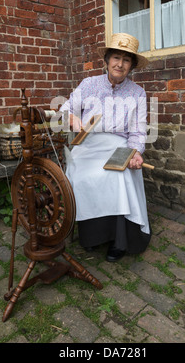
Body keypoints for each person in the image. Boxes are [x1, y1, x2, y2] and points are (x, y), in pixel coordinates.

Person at [59, 33, 151, 261]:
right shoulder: (89, 84)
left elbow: (138, 132)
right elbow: (65, 109)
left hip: (118, 144)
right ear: (107, 60)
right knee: (82, 175)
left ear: (132, 65)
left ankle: (119, 241)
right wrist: (72, 119)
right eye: (116, 57)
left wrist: (136, 152)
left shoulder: (137, 93)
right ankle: (92, 237)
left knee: (116, 175)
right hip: (87, 145)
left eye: (126, 60)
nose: (120, 64)